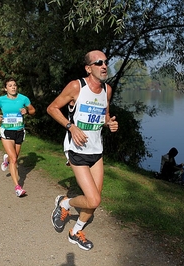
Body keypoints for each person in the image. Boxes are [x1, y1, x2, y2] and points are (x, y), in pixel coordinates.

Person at [47, 50, 118, 251]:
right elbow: (52, 108)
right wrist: (71, 126)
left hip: (96, 149)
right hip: (76, 148)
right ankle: (65, 204)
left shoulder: (107, 90)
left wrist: (109, 123)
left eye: (106, 62)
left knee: (93, 202)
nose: (104, 66)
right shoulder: (76, 86)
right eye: (99, 63)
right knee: (94, 198)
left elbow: (105, 116)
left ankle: (75, 231)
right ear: (88, 68)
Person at [0, 77, 35, 197]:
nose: (13, 87)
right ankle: (18, 187)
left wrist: (27, 111)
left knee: (14, 157)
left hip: (19, 131)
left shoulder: (23, 99)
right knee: (15, 159)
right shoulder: (1, 100)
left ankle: (6, 159)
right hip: (6, 131)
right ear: (5, 88)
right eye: (10, 85)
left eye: (14, 85)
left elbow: (33, 110)